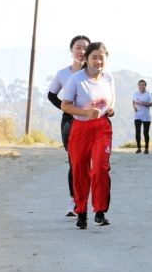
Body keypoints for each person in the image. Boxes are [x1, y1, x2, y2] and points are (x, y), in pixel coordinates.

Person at [61, 42, 117, 230]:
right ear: (87, 59)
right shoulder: (76, 79)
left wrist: (111, 109)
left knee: (101, 167)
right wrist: (86, 113)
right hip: (81, 127)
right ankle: (81, 212)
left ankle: (100, 212)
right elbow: (65, 105)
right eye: (94, 57)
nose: (98, 61)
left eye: (102, 57)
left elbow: (112, 99)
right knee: (79, 169)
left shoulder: (109, 78)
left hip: (102, 127)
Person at [47, 34, 90, 217]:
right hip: (70, 121)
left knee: (89, 162)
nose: (81, 51)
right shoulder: (63, 73)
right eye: (78, 47)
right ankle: (74, 201)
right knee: (75, 162)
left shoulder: (95, 73)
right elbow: (51, 95)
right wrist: (68, 109)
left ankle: (88, 201)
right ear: (71, 50)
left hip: (91, 121)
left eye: (85, 48)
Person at [132, 79, 152, 154]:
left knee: (145, 133)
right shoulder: (135, 94)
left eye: (143, 85)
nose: (141, 86)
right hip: (137, 116)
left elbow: (151, 104)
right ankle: (139, 148)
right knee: (137, 132)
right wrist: (134, 107)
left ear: (145, 86)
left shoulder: (148, 94)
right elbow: (133, 101)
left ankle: (146, 148)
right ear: (138, 86)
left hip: (146, 116)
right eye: (140, 85)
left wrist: (143, 103)